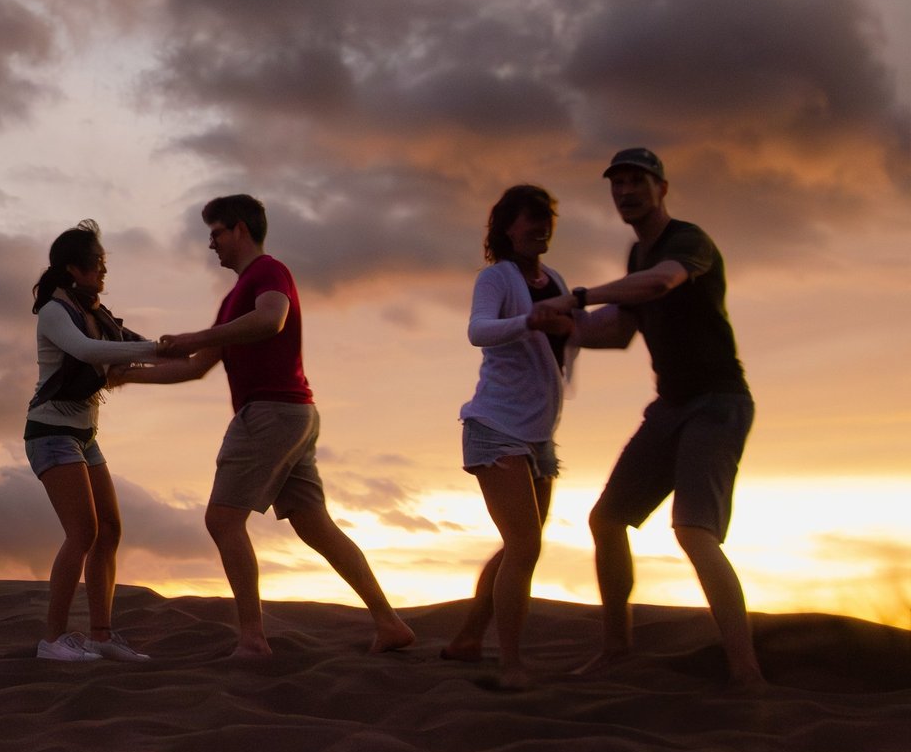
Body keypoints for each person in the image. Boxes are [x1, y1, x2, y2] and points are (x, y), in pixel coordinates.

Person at [118, 194, 415, 658]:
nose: (211, 244)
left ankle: (253, 639)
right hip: (294, 414)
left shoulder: (268, 272)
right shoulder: (233, 298)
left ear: (240, 228)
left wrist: (197, 336)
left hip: (271, 412)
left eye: (216, 233)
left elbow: (271, 320)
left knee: (222, 519)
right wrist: (126, 375)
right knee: (315, 525)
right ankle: (389, 622)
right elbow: (196, 366)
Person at [531, 148, 765, 689]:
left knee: (694, 531)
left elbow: (661, 283)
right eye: (618, 184)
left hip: (718, 403)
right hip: (671, 405)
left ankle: (746, 673)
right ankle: (616, 651)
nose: (626, 192)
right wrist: (562, 328)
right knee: (607, 520)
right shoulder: (637, 254)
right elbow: (617, 332)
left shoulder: (687, 241)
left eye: (637, 181)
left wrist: (578, 298)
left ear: (662, 188)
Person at [441, 186, 577, 689]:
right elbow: (478, 330)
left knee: (520, 546)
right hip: (496, 427)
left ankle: (468, 639)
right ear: (507, 228)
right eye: (529, 219)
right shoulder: (496, 278)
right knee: (524, 545)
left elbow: (573, 336)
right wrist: (528, 320)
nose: (540, 227)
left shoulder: (555, 279)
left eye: (546, 218)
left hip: (538, 434)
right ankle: (512, 664)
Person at [22, 222, 164, 662]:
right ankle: (53, 639)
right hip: (50, 434)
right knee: (82, 532)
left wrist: (189, 347)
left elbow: (131, 346)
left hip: (85, 437)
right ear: (73, 268)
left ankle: (100, 636)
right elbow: (87, 351)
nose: (104, 271)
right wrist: (156, 349)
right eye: (98, 263)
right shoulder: (54, 311)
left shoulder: (97, 313)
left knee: (110, 530)